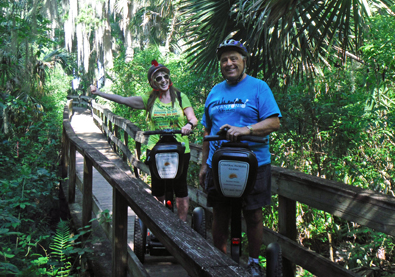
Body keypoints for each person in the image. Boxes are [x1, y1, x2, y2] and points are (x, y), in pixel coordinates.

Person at [198, 40, 281, 277]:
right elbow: (207, 131)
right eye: (224, 60)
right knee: (220, 213)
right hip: (218, 163)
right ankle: (218, 260)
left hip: (254, 164)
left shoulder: (258, 88)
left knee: (253, 213)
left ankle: (253, 261)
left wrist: (245, 130)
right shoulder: (215, 91)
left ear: (244, 61)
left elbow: (274, 122)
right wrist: (204, 165)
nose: (229, 63)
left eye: (233, 58)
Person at [89, 60, 198, 222]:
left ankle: (182, 225)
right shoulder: (149, 99)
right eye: (158, 78)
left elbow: (193, 118)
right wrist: (98, 93)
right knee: (158, 188)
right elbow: (123, 100)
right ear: (152, 82)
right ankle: (159, 223)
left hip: (180, 148)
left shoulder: (181, 97)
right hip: (156, 148)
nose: (163, 80)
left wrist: (189, 125)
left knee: (180, 188)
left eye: (165, 76)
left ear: (169, 77)